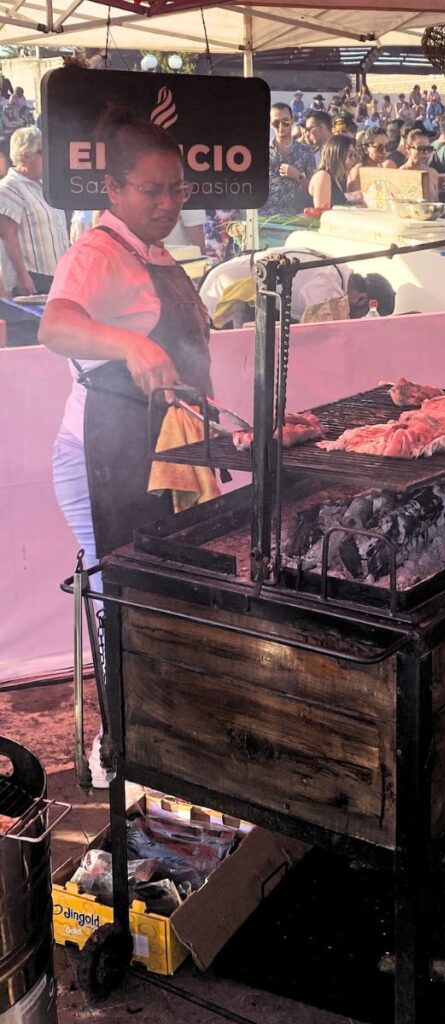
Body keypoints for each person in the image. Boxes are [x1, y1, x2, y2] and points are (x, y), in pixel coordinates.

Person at [39, 107, 214, 786]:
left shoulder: (156, 252)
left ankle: (164, 734)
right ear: (112, 190)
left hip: (163, 453)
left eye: (177, 190)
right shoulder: (96, 253)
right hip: (102, 457)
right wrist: (127, 342)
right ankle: (119, 752)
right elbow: (56, 325)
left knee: (164, 600)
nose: (168, 204)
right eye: (152, 191)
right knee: (121, 604)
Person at [200, 247, 395, 329]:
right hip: (228, 290)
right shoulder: (328, 288)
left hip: (239, 286)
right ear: (361, 299)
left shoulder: (337, 272)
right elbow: (320, 339)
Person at [0, 127, 68, 295]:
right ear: (25, 155)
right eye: (42, 151)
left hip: (56, 275)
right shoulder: (9, 188)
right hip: (33, 279)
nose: (48, 157)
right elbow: (9, 236)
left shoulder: (44, 186)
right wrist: (23, 277)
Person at [261, 102, 316, 217]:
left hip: (294, 218)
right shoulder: (260, 153)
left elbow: (314, 188)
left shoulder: (305, 152)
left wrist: (297, 176)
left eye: (285, 122)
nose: (281, 127)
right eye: (276, 123)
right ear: (270, 124)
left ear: (292, 120)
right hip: (264, 217)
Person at [307, 135, 356, 209]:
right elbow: (322, 211)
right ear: (338, 155)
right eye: (350, 155)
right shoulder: (323, 176)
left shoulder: (340, 178)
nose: (353, 159)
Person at [346, 127, 397, 193]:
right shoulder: (358, 171)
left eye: (387, 146)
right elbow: (352, 199)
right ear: (365, 149)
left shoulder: (382, 167)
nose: (384, 151)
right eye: (380, 148)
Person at [398, 128, 439, 201]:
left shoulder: (433, 173)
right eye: (421, 149)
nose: (426, 152)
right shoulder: (401, 173)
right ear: (408, 149)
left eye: (429, 148)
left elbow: (436, 202)